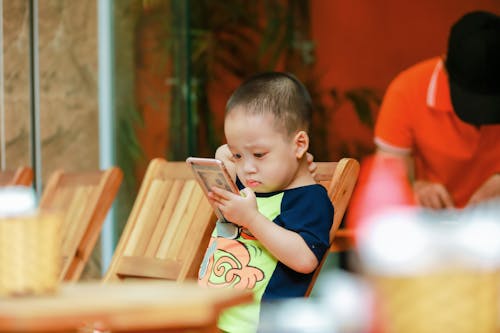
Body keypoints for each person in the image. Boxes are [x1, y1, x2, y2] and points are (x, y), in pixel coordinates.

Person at [197, 72, 334, 333]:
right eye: (238, 155)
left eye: (259, 154)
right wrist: (238, 154)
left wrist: (251, 219)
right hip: (212, 321)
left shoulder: (308, 199)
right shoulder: (252, 187)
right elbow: (220, 153)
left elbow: (305, 259)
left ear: (299, 144)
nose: (247, 168)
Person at [373, 10, 500, 210]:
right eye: (472, 98)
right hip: (435, 221)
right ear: (445, 67)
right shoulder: (407, 91)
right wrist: (416, 188)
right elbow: (387, 182)